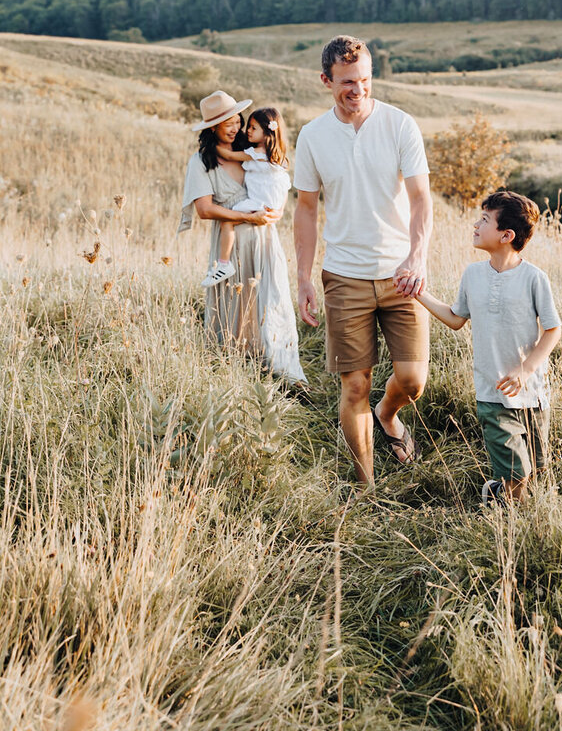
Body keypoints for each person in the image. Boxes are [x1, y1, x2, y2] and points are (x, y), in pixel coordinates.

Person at [293, 35, 433, 486]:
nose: (358, 90)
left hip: (401, 276)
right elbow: (307, 209)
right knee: (353, 385)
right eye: (348, 82)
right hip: (345, 276)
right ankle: (366, 486)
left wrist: (416, 258)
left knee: (412, 381)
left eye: (366, 80)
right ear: (326, 80)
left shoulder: (400, 125)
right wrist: (303, 277)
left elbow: (420, 199)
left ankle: (387, 415)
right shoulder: (313, 136)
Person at [414, 190, 561, 505]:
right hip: (492, 393)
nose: (475, 225)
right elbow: (456, 319)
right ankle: (511, 525)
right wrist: (420, 294)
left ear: (506, 235)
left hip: (532, 394)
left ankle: (497, 494)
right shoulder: (473, 274)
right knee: (516, 471)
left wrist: (525, 369)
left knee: (535, 470)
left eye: (484, 220)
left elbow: (553, 329)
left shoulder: (535, 278)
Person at [179, 90, 307, 386]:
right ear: (213, 128)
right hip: (231, 244)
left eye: (238, 121)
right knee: (232, 306)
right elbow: (205, 210)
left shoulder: (254, 153)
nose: (236, 127)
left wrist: (278, 210)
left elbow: (277, 181)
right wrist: (248, 218)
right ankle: (231, 373)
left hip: (263, 241)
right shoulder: (201, 162)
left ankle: (279, 371)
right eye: (228, 124)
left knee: (268, 301)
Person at [202, 106, 292, 288]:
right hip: (271, 202)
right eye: (248, 127)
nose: (247, 131)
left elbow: (228, 154)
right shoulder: (275, 156)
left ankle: (224, 264)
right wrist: (280, 208)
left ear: (267, 132)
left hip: (258, 202)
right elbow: (285, 184)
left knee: (227, 221)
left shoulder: (256, 154)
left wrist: (211, 146)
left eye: (253, 128)